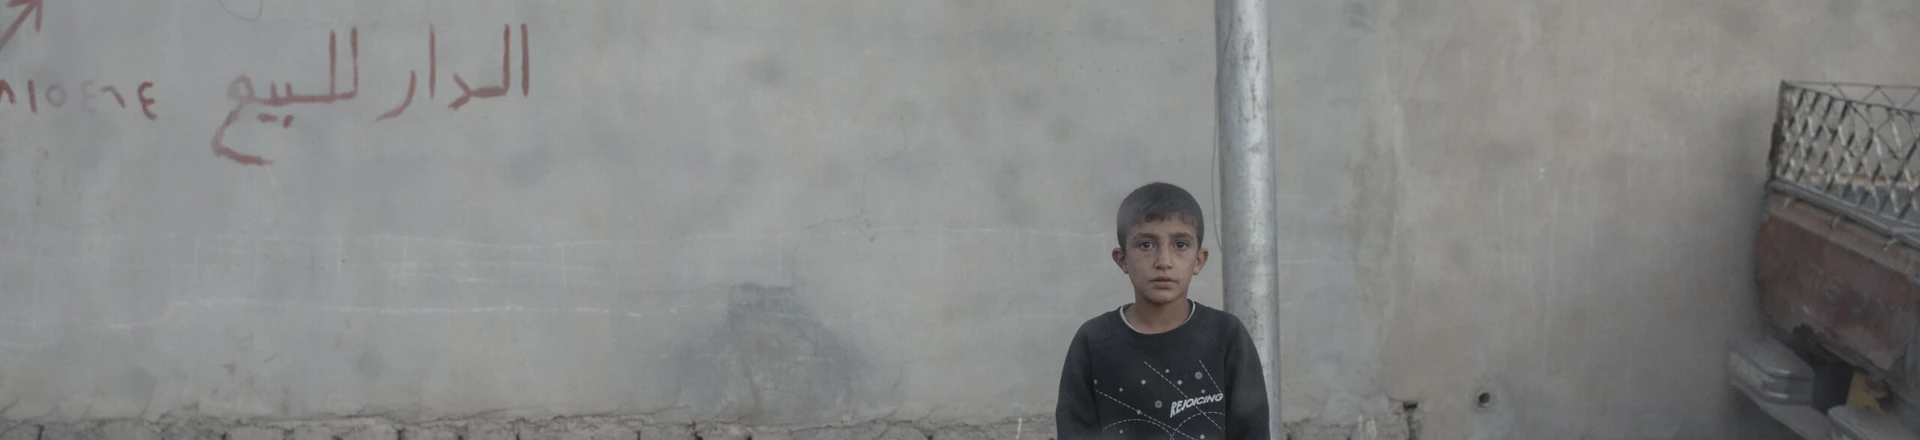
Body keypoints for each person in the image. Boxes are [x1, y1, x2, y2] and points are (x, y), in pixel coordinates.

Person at [1056, 182, 1271, 439]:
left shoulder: (1226, 336)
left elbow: (1252, 431)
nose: (1163, 262)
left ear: (1199, 260)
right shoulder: (1093, 342)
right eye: (1146, 245)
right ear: (1122, 259)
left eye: (1180, 245)